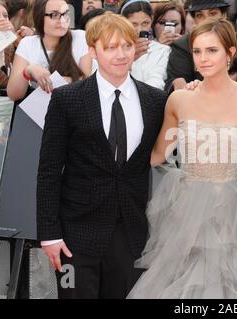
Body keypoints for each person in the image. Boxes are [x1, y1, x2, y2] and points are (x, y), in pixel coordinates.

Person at [127, 18, 237, 299]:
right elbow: (158, 155)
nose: (203, 59)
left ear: (230, 53)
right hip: (184, 211)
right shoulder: (180, 100)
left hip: (233, 214)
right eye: (197, 51)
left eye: (212, 51)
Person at [36, 12, 167, 299]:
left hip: (130, 233)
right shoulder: (67, 99)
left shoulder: (156, 101)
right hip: (75, 235)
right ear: (93, 51)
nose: (120, 55)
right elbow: (48, 170)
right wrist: (49, 233)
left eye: (127, 46)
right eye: (110, 47)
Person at [7, 0, 92, 101]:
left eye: (65, 14)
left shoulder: (80, 38)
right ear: (39, 17)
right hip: (38, 112)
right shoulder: (27, 43)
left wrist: (57, 81)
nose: (62, 20)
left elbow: (88, 84)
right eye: (54, 15)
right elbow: (14, 95)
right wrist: (28, 71)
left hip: (74, 109)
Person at [165, 0, 237, 91]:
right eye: (200, 15)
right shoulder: (181, 47)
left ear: (224, 15)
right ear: (195, 20)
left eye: (212, 13)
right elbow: (179, 84)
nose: (207, 19)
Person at [120, 0, 171, 90]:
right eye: (133, 24)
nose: (139, 30)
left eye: (145, 23)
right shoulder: (112, 49)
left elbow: (156, 82)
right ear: (123, 23)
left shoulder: (161, 50)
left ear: (151, 21)